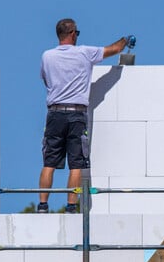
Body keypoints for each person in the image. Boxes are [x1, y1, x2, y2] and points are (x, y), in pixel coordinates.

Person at [37, 18, 133, 213]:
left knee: (49, 163)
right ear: (72, 33)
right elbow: (112, 49)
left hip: (54, 113)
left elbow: (45, 79)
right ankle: (71, 206)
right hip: (77, 114)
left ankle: (42, 205)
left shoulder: (47, 56)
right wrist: (125, 40)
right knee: (76, 164)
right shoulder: (84, 53)